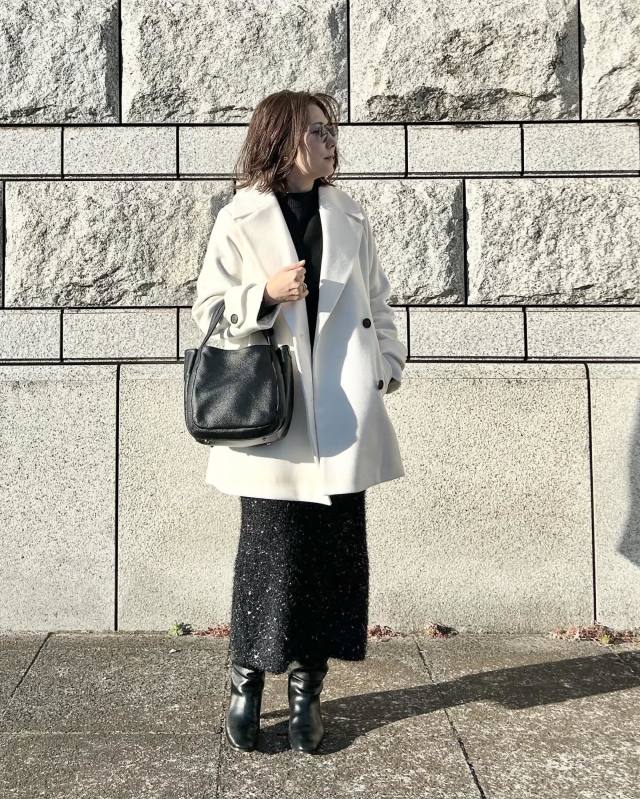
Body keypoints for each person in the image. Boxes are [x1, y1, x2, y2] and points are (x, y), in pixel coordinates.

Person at [191, 90, 407, 754]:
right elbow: (208, 311)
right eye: (316, 130)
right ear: (282, 139)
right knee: (269, 557)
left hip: (342, 415)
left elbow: (377, 299)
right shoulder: (241, 216)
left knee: (332, 560)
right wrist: (264, 294)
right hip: (275, 419)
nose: (329, 140)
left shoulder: (349, 213)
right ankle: (246, 683)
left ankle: (308, 692)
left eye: (329, 129)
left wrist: (387, 363)